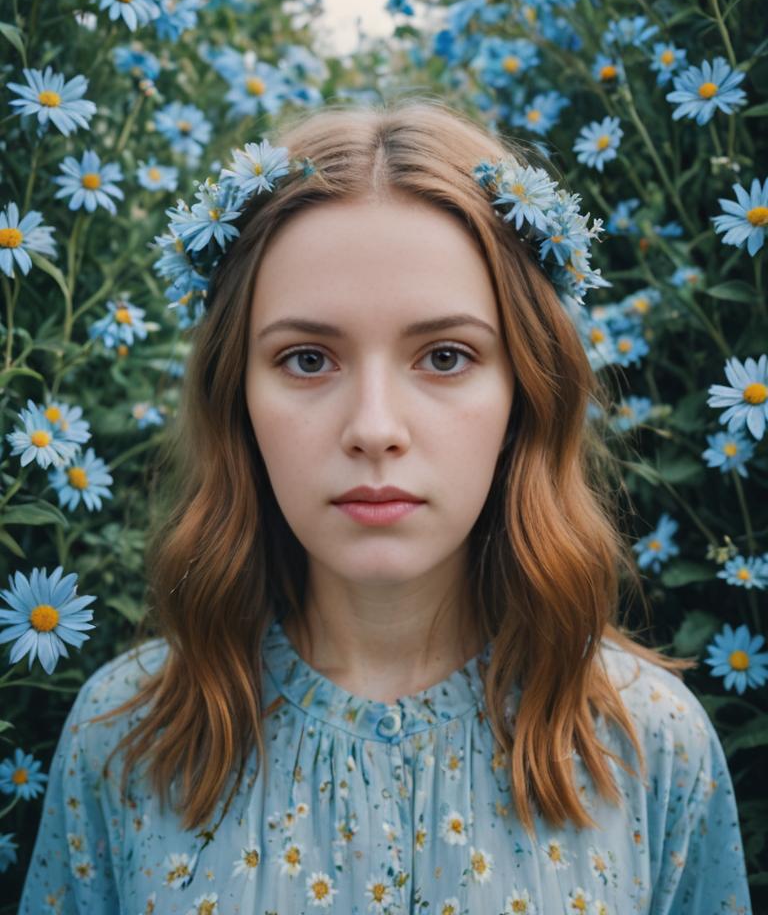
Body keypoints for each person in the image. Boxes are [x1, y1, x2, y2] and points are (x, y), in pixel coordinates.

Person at [18, 98, 752, 915]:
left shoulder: (649, 745)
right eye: (306, 359)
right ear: (236, 399)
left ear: (525, 391)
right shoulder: (125, 741)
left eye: (444, 356)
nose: (374, 429)